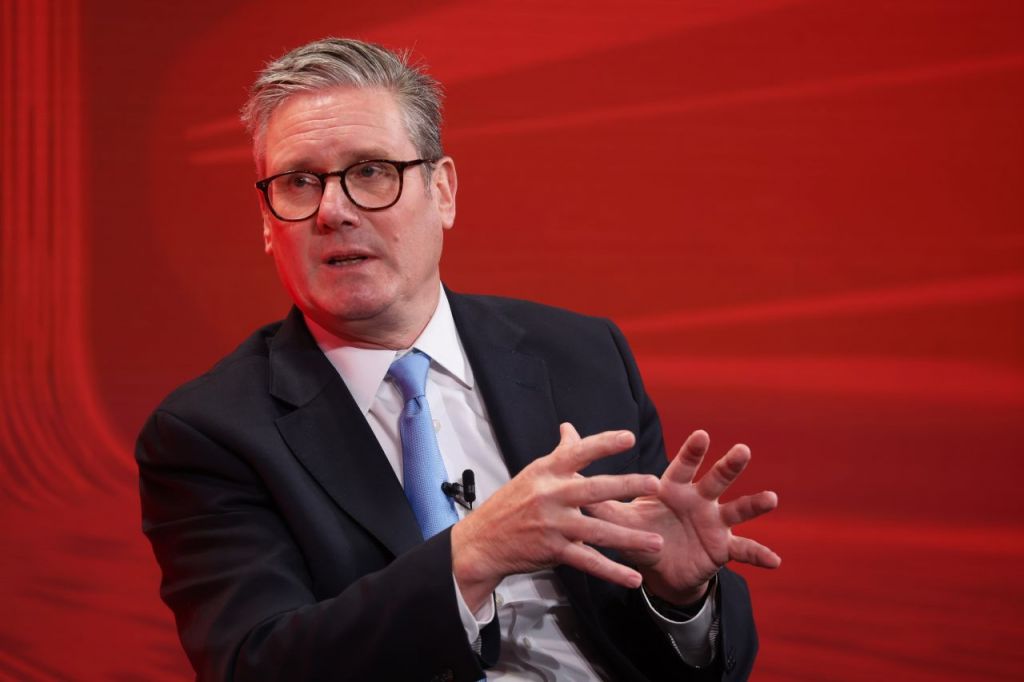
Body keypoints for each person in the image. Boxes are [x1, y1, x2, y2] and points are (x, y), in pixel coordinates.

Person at [136, 37, 780, 682]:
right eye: (299, 182)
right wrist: (471, 555)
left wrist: (679, 598)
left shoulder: (582, 356)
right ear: (267, 220)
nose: (332, 211)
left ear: (442, 191)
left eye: (371, 172)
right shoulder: (211, 433)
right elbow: (257, 665)